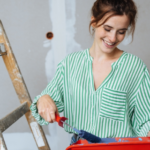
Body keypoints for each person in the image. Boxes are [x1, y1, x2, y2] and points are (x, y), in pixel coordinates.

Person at [30, 0, 150, 145]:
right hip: (80, 147)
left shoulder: (135, 68)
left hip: (119, 148)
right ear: (94, 22)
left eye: (121, 32)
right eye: (107, 28)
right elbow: (46, 103)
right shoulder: (70, 64)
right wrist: (44, 100)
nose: (112, 38)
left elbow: (145, 121)